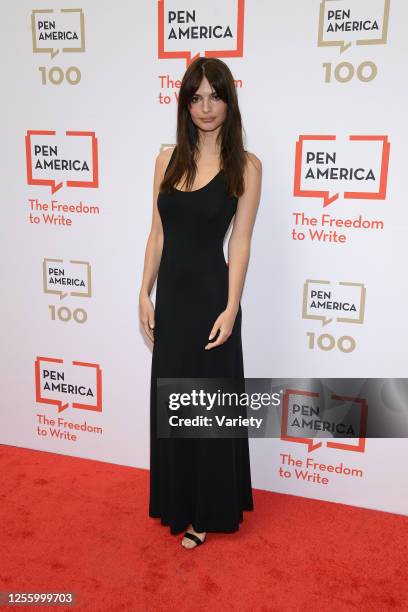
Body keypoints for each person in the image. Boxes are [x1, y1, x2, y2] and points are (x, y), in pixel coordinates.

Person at [139, 57, 262, 549]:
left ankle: (207, 509)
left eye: (216, 96)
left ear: (229, 101)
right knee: (174, 403)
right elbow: (156, 234)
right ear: (185, 103)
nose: (206, 108)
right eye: (196, 97)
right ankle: (177, 500)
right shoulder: (166, 159)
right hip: (173, 299)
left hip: (213, 300)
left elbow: (242, 243)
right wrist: (143, 292)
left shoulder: (246, 167)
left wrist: (232, 307)